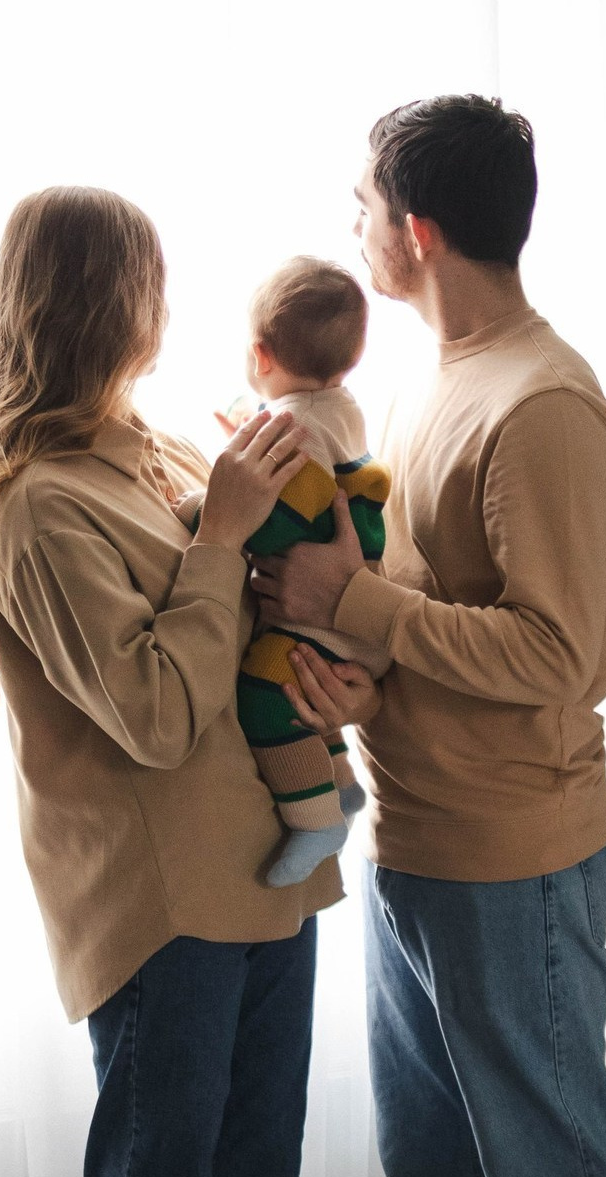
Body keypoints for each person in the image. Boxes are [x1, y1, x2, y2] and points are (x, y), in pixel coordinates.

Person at [251, 95, 606, 1177]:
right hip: (412, 840)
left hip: (509, 858)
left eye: (362, 203)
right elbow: (431, 609)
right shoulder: (435, 378)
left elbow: (555, 653)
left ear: (414, 232)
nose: (353, 225)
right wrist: (365, 666)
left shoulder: (539, 405)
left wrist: (354, 600)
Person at [0, 187, 349, 1177]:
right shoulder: (31, 507)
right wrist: (219, 534)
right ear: (111, 301)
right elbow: (160, 714)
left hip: (266, 877)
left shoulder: (161, 450)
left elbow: (250, 631)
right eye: (152, 281)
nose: (167, 305)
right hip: (166, 906)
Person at [174, 257, 391, 887]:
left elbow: (265, 519)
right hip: (362, 613)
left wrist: (202, 510)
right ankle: (342, 785)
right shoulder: (340, 408)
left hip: (325, 618)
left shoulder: (292, 429)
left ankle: (316, 821)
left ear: (259, 354)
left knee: (268, 695)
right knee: (304, 697)